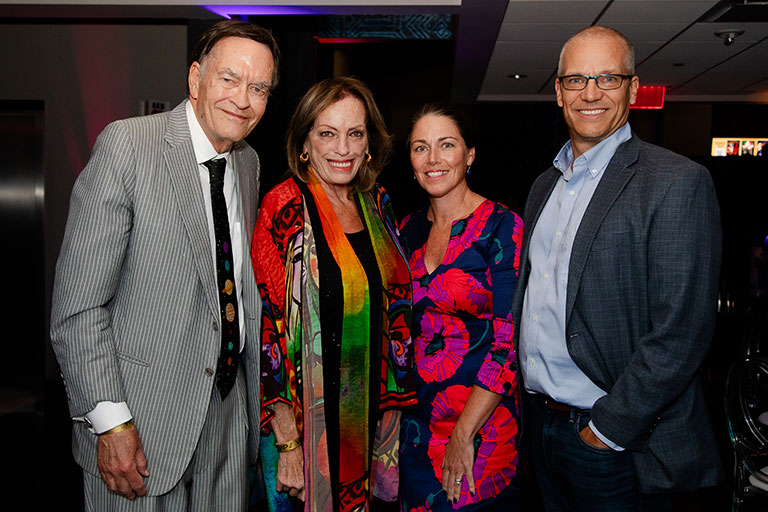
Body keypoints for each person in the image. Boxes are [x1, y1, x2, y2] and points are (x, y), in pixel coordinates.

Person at [50, 20, 279, 511]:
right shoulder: (128, 147)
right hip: (141, 423)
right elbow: (78, 306)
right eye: (229, 79)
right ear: (195, 79)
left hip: (227, 417)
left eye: (258, 87)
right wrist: (110, 422)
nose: (243, 98)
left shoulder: (248, 163)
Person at [512, 25, 723, 511]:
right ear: (558, 93)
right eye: (576, 80)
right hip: (541, 427)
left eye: (607, 78)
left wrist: (607, 430)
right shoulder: (545, 185)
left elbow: (683, 331)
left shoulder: (676, 182)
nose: (590, 93)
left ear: (632, 88)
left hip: (613, 440)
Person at [251, 77, 416, 512]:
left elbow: (395, 307)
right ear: (305, 140)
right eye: (327, 133)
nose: (342, 148)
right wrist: (287, 441)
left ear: (368, 144)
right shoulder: (284, 206)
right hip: (305, 430)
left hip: (374, 424)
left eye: (355, 134)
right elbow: (264, 325)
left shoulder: (377, 203)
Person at [398, 103, 524, 511]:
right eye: (421, 148)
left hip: (481, 431)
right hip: (414, 432)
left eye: (446, 145)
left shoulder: (502, 226)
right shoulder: (405, 230)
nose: (433, 159)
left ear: (469, 155)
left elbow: (510, 344)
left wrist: (462, 434)